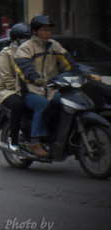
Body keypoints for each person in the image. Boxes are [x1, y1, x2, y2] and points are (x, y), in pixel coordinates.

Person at [14, 14, 80, 157]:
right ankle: (35, 142)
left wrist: (80, 73)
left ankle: (58, 136)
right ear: (35, 31)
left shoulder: (53, 45)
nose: (47, 33)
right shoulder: (26, 48)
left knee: (68, 102)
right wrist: (37, 80)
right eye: (44, 30)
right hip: (31, 90)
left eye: (49, 30)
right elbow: (25, 69)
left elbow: (68, 61)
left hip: (51, 89)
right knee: (42, 104)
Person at [0, 22, 31, 151]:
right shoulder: (5, 54)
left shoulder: (29, 53)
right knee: (18, 104)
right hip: (7, 91)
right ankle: (14, 139)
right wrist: (21, 91)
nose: (27, 41)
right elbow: (6, 77)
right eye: (25, 38)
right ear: (16, 39)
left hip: (27, 89)